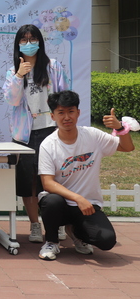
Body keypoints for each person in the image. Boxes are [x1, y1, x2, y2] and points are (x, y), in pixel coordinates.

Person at [37, 90, 135, 260]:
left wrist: (120, 128)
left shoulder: (92, 135)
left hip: (88, 205)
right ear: (53, 116)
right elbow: (47, 183)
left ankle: (76, 232)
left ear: (78, 113)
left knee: (107, 241)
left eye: (71, 111)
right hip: (61, 204)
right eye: (61, 112)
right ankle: (51, 241)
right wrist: (78, 198)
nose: (66, 117)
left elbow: (127, 147)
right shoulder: (48, 145)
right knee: (51, 201)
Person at [3, 24, 70, 243]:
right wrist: (18, 76)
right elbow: (12, 100)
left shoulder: (53, 67)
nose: (29, 43)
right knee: (28, 182)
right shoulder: (13, 71)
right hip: (24, 135)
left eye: (33, 39)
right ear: (18, 44)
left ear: (40, 42)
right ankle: (34, 225)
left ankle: (57, 223)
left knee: (52, 180)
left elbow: (65, 97)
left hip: (51, 131)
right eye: (24, 40)